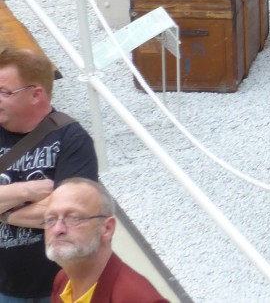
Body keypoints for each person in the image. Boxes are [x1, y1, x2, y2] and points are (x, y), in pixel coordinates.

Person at [0, 47, 98, 303]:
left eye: (3, 92)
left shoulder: (72, 139)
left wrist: (5, 212)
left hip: (60, 285)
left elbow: (70, 215)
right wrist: (27, 192)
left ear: (36, 94)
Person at [44, 179, 166, 303]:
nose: (57, 229)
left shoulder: (139, 298)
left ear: (107, 228)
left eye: (74, 218)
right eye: (50, 219)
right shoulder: (63, 281)